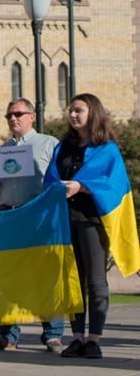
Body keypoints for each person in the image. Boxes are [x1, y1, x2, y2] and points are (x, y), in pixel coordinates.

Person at [43, 93, 132, 359]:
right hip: (65, 221)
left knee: (95, 280)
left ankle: (94, 338)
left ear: (92, 112)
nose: (73, 115)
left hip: (93, 220)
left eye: (79, 110)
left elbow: (115, 185)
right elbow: (50, 178)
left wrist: (82, 186)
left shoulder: (107, 149)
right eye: (71, 110)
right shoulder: (63, 147)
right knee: (73, 282)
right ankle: (77, 337)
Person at [0, 99, 64, 352]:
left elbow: (58, 181)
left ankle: (52, 334)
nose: (12, 119)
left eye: (18, 114)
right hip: (9, 214)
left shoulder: (49, 144)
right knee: (9, 276)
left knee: (45, 274)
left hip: (37, 214)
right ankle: (8, 335)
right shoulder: (3, 149)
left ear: (31, 116)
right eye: (9, 115)